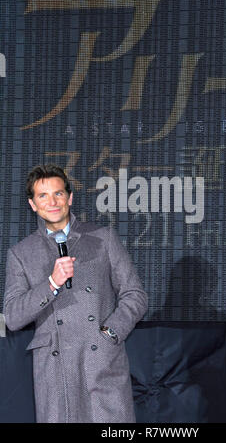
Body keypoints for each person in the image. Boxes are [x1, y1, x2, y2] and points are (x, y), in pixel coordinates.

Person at [4, 164, 148, 423]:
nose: (53, 202)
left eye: (58, 194)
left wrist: (110, 334)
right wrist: (51, 283)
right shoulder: (21, 253)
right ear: (32, 204)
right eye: (43, 196)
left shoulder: (103, 238)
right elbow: (13, 317)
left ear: (69, 197)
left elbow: (135, 294)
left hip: (100, 361)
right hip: (55, 369)